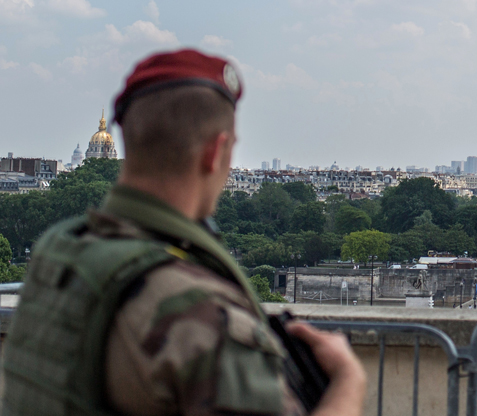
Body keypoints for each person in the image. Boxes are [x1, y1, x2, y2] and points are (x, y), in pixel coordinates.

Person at [2, 49, 366, 416]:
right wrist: (349, 382)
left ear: (128, 139)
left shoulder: (56, 248)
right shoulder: (203, 313)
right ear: (216, 151)